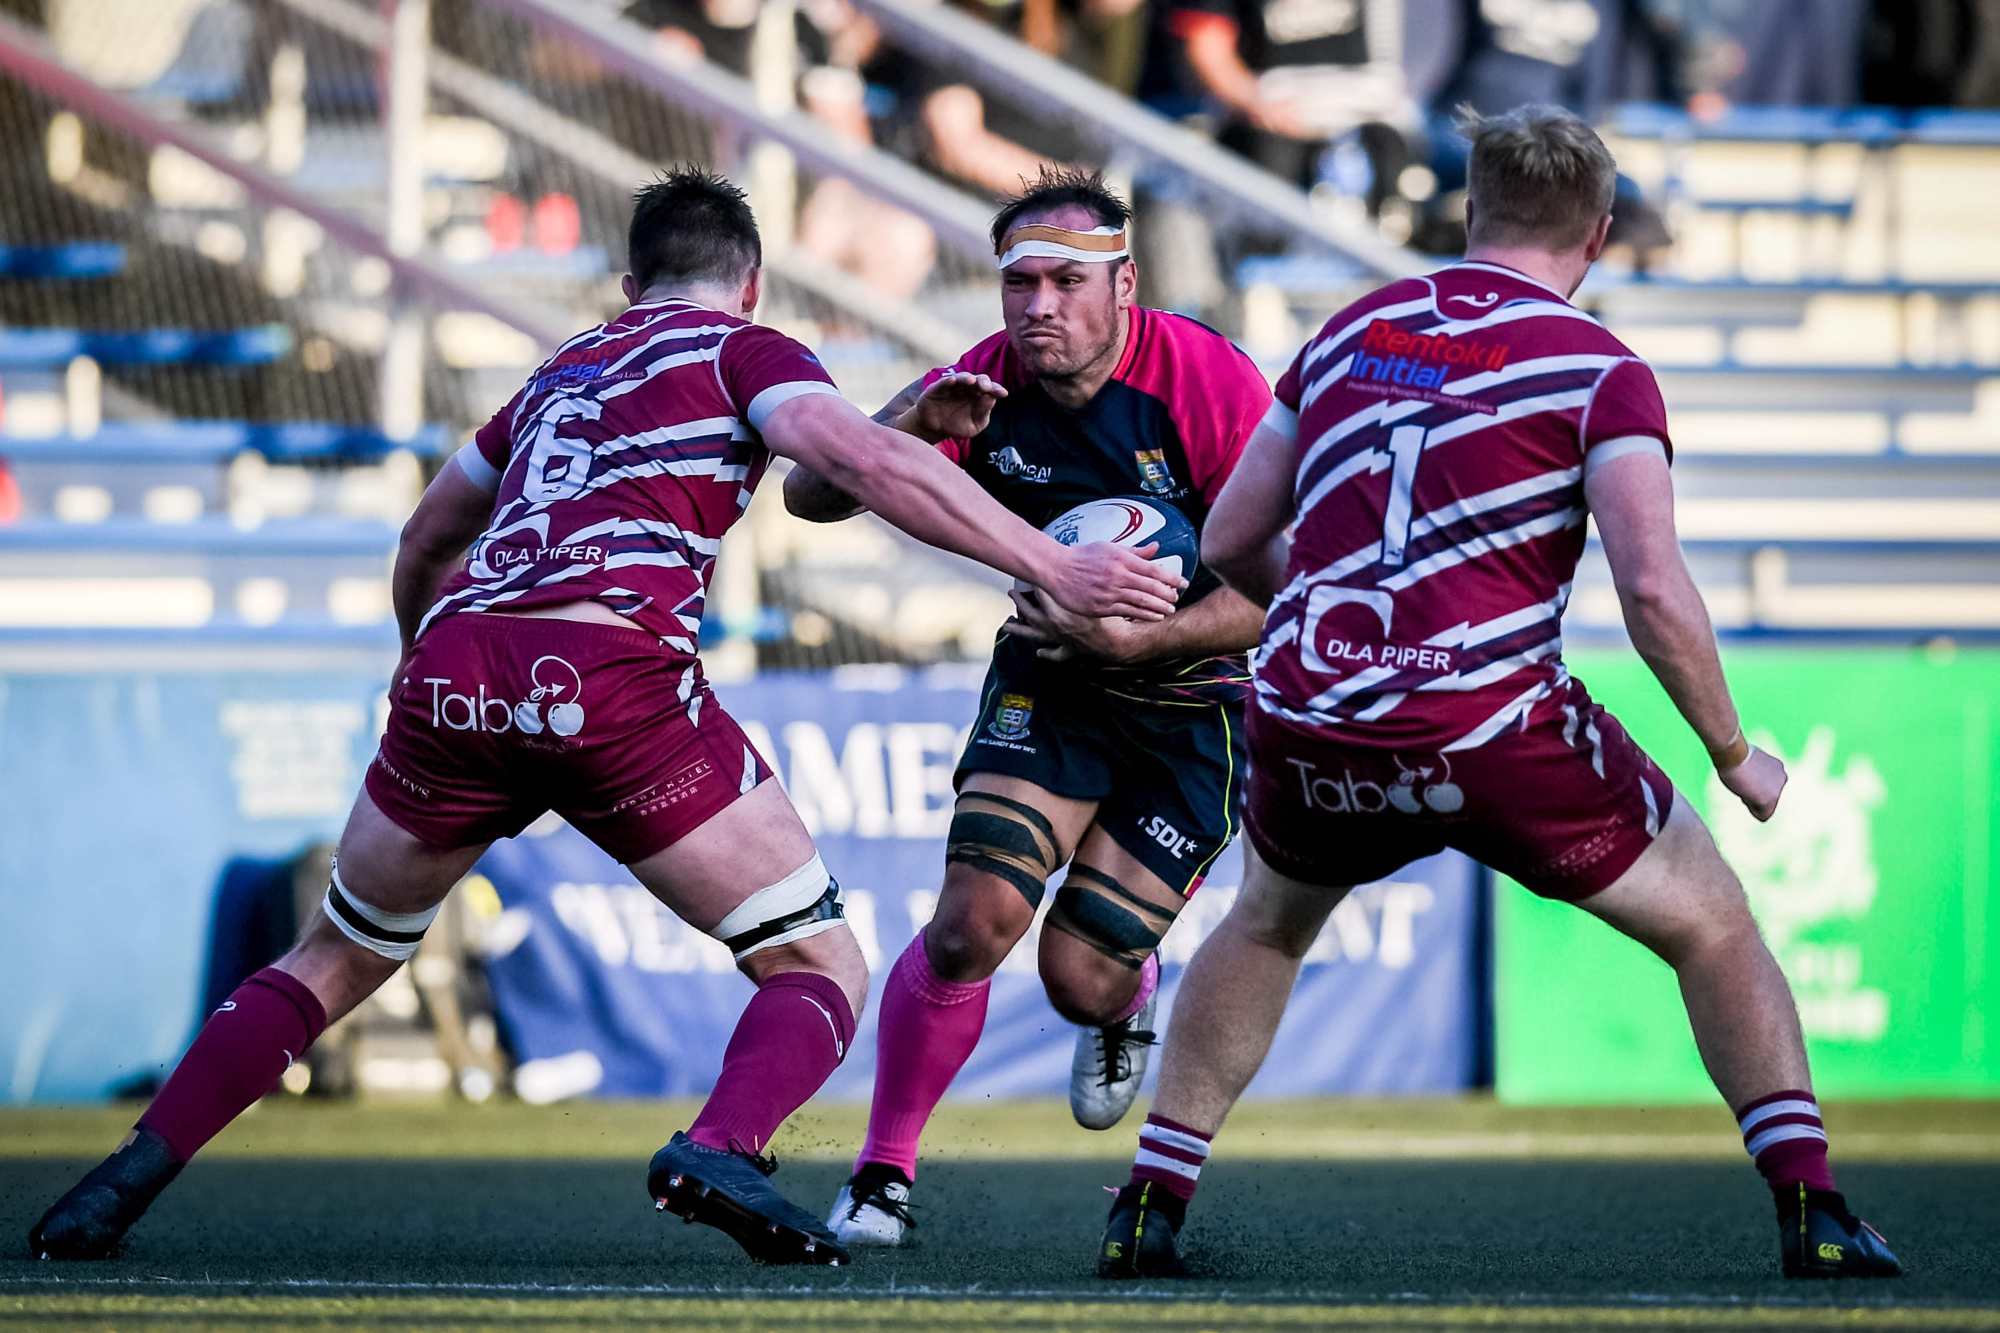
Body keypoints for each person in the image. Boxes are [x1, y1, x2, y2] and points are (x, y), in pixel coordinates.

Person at [26, 167, 1179, 1269]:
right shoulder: (744, 351)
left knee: (331, 955)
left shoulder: (557, 372)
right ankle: (720, 1147)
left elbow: (428, 534)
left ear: (628, 288)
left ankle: (120, 1178)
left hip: (457, 664)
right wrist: (1048, 564)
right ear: (754, 283)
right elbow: (861, 462)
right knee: (816, 961)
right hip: (609, 671)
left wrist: (424, 672)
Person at [1093, 106, 1904, 1282]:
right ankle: (1812, 1209)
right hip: (1489, 723)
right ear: (1600, 232)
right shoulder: (1596, 368)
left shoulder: (1345, 330)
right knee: (1713, 922)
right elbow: (1654, 592)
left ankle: (1149, 1201)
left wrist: (1329, 623)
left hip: (1316, 711)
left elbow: (1228, 534)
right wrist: (1732, 754)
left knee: (1265, 922)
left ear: (1468, 212)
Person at [784, 167, 1273, 1249]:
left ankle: (1122, 992)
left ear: (1123, 286)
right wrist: (907, 419)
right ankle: (881, 1178)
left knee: (1075, 977)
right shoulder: (979, 382)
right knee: (968, 927)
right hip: (1050, 684)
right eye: (1019, 282)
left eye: (1064, 281)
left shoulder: (1208, 385)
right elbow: (810, 495)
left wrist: (1149, 634)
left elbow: (1284, 587)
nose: (1037, 305)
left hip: (1193, 709)